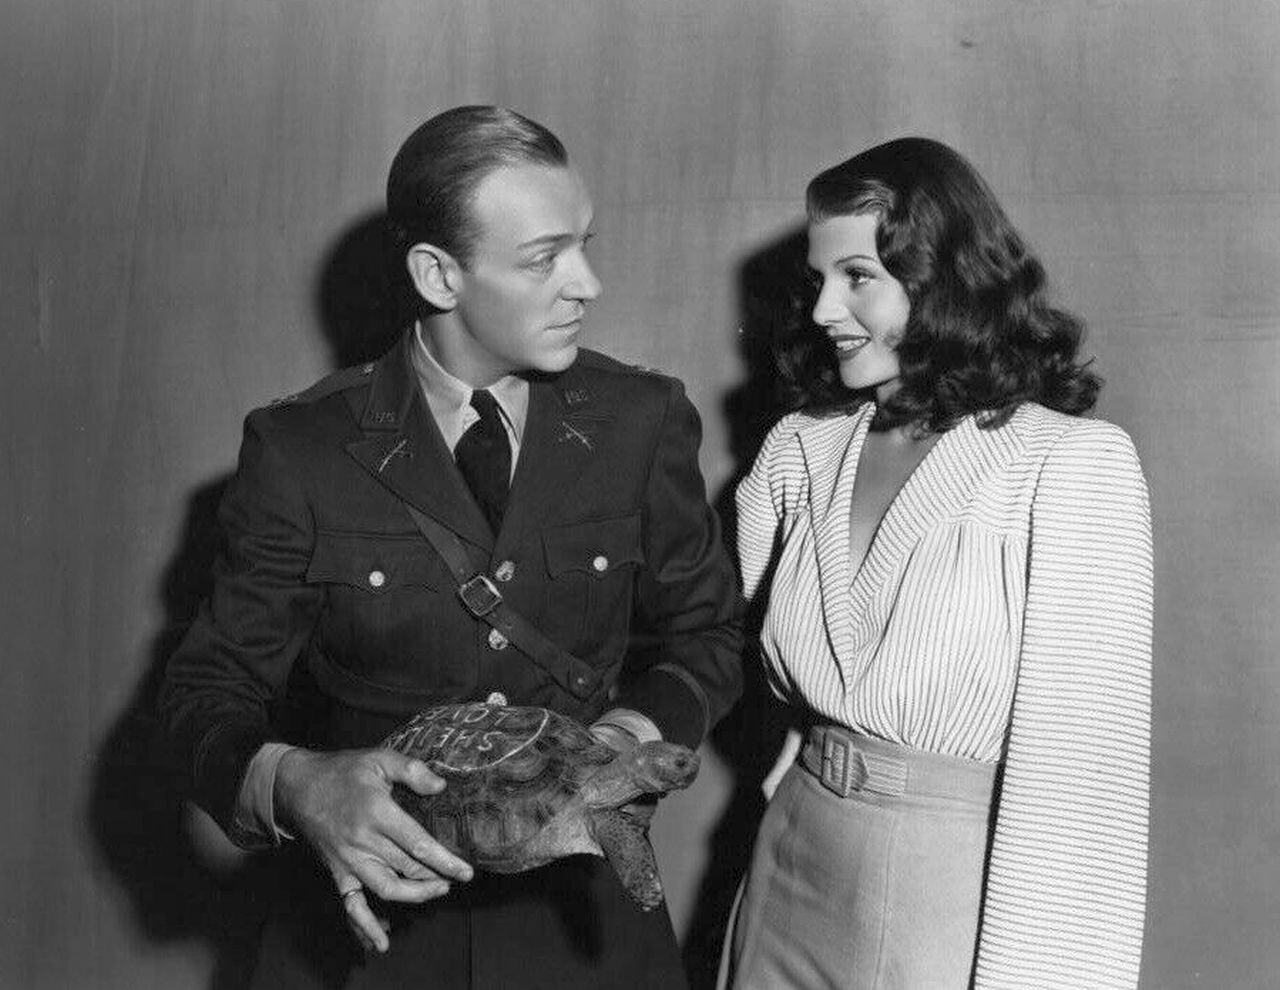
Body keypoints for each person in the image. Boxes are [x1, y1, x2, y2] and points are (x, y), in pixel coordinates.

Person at [158, 105, 742, 990]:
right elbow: (204, 692)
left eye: (584, 246)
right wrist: (293, 783)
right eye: (544, 258)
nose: (586, 283)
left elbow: (709, 636)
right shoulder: (303, 449)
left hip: (588, 929)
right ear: (438, 275)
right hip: (368, 937)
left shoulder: (640, 421)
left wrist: (617, 748)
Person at [720, 137, 1152, 989]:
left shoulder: (1069, 465)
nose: (823, 311)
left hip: (949, 892)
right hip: (791, 853)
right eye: (819, 279)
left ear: (944, 280)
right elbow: (724, 645)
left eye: (858, 277)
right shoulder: (799, 450)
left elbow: (1083, 772)